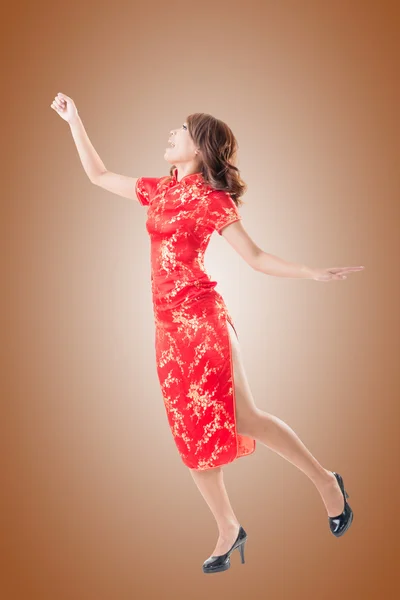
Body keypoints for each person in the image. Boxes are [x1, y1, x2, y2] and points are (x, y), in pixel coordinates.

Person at [51, 92, 364, 574]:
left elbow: (255, 257)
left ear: (198, 149)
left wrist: (311, 272)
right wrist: (75, 121)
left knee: (247, 418)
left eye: (181, 128)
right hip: (167, 330)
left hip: (203, 322)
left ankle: (327, 483)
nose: (171, 132)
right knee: (188, 432)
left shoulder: (212, 200)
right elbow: (98, 175)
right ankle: (228, 528)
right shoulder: (158, 190)